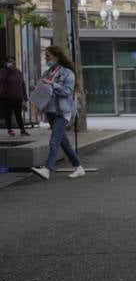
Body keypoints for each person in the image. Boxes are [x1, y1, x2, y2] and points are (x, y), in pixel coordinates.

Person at [30, 45, 84, 180]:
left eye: (48, 56)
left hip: (62, 112)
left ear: (57, 56)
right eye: (45, 56)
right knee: (63, 142)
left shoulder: (68, 73)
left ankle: (47, 169)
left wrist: (52, 84)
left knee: (54, 140)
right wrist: (36, 87)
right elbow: (44, 88)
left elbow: (67, 91)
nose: (46, 58)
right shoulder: (48, 72)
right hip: (50, 110)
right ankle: (78, 167)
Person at [1, 56, 30, 136]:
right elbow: (3, 80)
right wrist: (9, 70)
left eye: (13, 61)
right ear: (6, 63)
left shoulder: (18, 72)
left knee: (18, 114)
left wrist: (25, 97)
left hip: (18, 97)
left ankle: (22, 130)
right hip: (7, 97)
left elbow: (22, 84)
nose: (12, 63)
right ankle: (9, 129)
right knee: (8, 114)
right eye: (9, 61)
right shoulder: (3, 71)